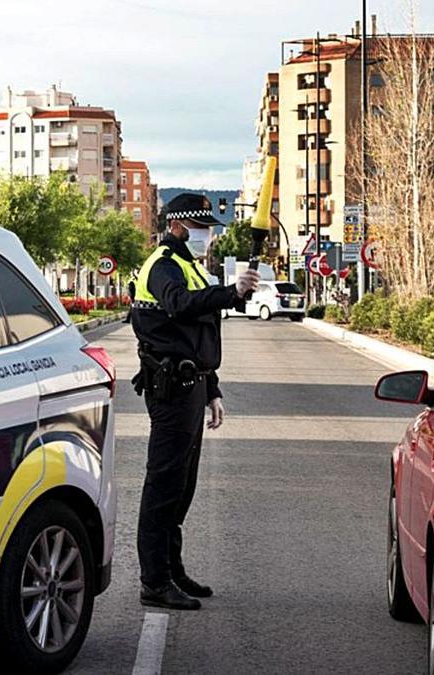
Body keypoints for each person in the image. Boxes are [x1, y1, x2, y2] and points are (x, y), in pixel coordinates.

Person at [130, 193, 260, 610]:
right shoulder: (162, 266)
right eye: (200, 228)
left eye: (208, 228)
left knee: (182, 487)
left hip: (192, 385)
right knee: (163, 485)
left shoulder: (189, 266)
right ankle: (154, 581)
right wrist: (229, 292)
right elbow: (178, 306)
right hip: (170, 390)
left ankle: (173, 569)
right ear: (177, 227)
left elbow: (197, 331)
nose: (207, 234)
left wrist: (213, 388)